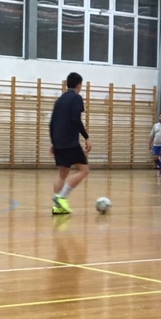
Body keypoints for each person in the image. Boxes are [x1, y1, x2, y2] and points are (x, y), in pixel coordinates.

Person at [49, 72, 92, 215]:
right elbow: (76, 119)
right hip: (70, 142)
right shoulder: (76, 98)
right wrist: (86, 137)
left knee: (62, 173)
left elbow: (52, 123)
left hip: (58, 142)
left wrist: (53, 142)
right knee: (84, 170)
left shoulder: (59, 100)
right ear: (79, 84)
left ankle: (58, 206)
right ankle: (61, 197)